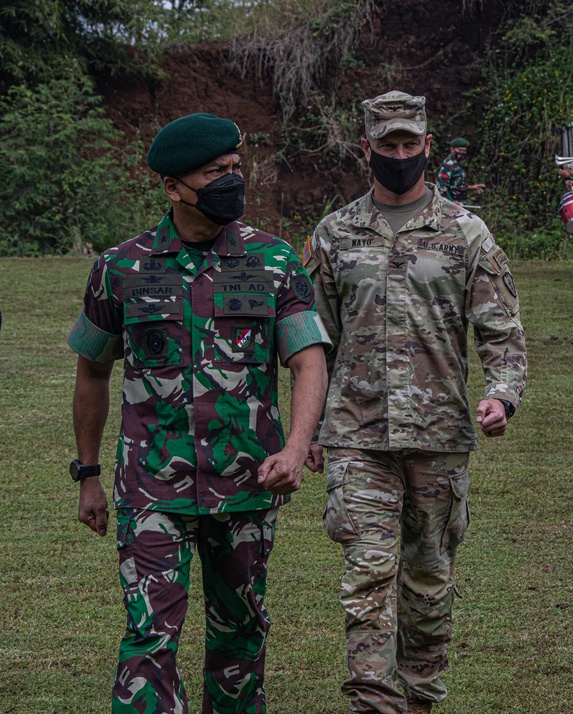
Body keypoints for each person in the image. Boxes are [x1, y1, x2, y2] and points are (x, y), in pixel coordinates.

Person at [68, 112, 331, 712]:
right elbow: (92, 370)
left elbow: (308, 360)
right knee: (148, 637)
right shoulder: (121, 267)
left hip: (246, 484)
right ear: (172, 186)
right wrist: (87, 475)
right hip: (151, 488)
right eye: (215, 172)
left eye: (235, 169)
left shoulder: (275, 261)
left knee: (241, 636)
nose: (230, 181)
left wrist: (295, 447)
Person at [308, 91, 528, 714]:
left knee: (428, 580)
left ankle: (422, 696)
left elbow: (502, 334)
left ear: (427, 146)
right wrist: (311, 428)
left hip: (439, 437)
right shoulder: (334, 234)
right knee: (366, 578)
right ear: (367, 149)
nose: (400, 155)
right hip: (357, 433)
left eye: (410, 144)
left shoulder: (467, 232)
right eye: (388, 145)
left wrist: (502, 397)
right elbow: (312, 344)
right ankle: (374, 704)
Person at [436, 137, 485, 204]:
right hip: (451, 205)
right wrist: (451, 202)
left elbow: (455, 185)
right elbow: (441, 186)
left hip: (460, 203)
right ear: (452, 149)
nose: (462, 153)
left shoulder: (456, 164)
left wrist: (471, 187)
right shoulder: (448, 165)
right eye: (460, 150)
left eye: (464, 151)